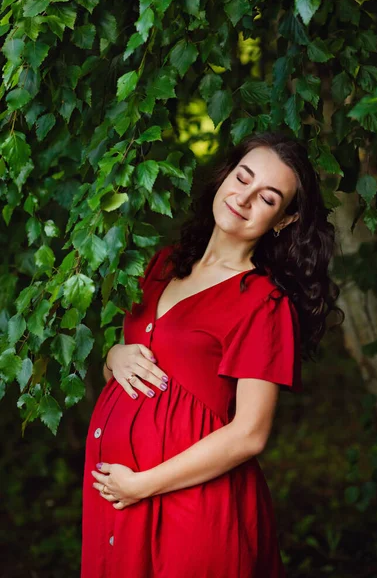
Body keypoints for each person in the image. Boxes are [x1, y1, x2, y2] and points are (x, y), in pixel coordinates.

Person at [81, 132, 343, 577]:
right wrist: (112, 356)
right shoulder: (161, 265)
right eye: (242, 178)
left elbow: (250, 434)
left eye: (267, 198)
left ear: (283, 219)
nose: (243, 198)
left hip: (190, 506)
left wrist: (143, 484)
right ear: (225, 176)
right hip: (118, 498)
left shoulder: (263, 303)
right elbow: (138, 365)